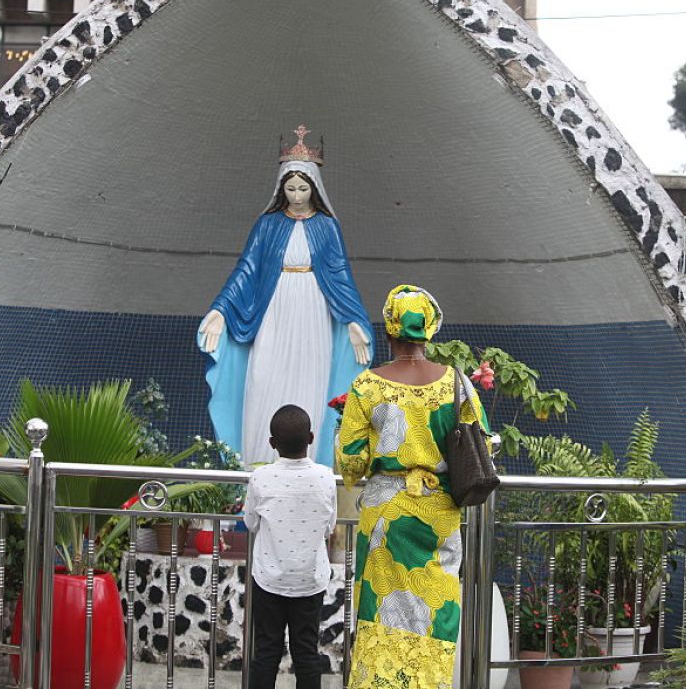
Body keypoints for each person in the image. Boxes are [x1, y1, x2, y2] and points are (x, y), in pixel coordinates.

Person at [337, 284, 489, 689]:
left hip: (386, 518)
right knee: (434, 611)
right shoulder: (457, 382)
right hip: (439, 515)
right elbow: (483, 445)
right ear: (429, 330)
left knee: (381, 612)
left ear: (389, 329)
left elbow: (350, 463)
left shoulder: (368, 385)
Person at [198, 125, 373, 468]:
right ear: (281, 188)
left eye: (303, 188)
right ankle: (256, 466)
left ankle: (312, 465)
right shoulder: (267, 224)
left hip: (314, 310)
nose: (296, 195)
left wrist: (353, 321)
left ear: (314, 188)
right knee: (263, 378)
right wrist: (221, 310)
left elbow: (340, 275)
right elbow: (247, 268)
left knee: (310, 382)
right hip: (274, 308)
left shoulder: (327, 226)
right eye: (290, 188)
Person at [243, 404, 338, 689]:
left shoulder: (260, 478)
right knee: (306, 652)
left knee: (266, 652)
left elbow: (251, 522)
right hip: (309, 580)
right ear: (311, 438)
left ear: (272, 443)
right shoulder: (325, 477)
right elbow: (329, 526)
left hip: (269, 579)